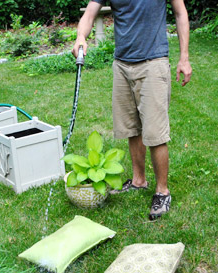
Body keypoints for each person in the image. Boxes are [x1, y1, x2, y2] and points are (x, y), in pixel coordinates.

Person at [72, 0, 192, 220]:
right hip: (122, 64)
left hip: (153, 62)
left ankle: (162, 191)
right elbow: (90, 13)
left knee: (155, 134)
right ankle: (139, 180)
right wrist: (81, 37)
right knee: (131, 128)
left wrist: (184, 58)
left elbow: (180, 11)